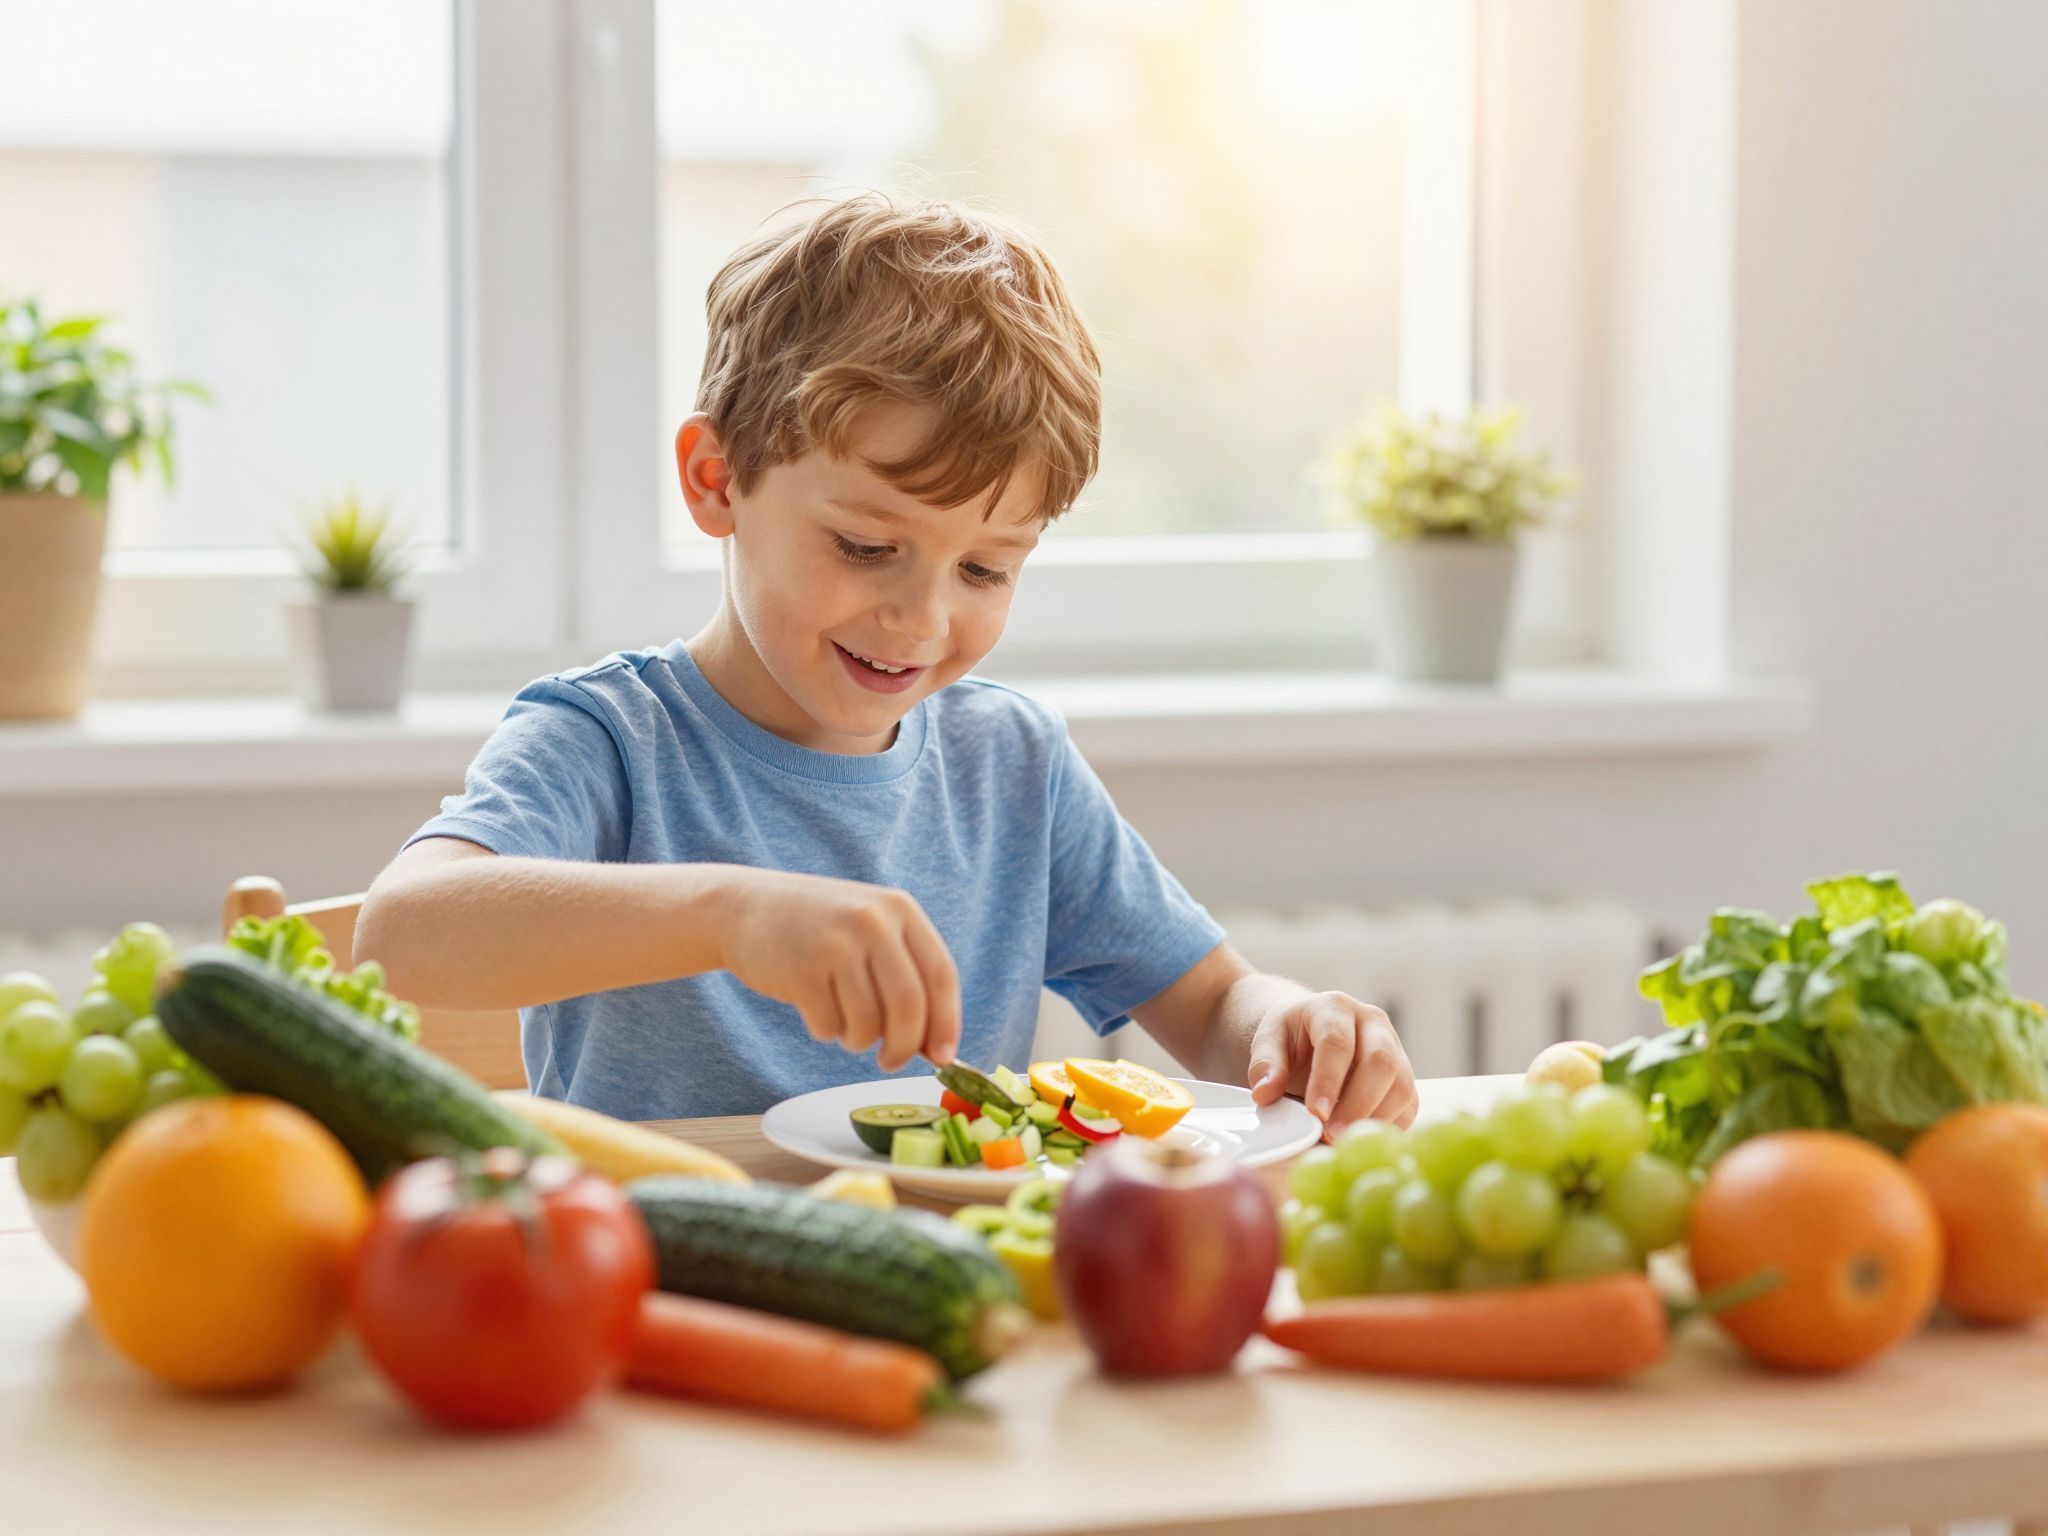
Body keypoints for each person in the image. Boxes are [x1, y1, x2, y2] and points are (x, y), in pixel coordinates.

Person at [356, 193, 1415, 1138]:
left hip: (939, 1287)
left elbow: (1215, 1008)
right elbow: (399, 937)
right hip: (663, 1287)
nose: (920, 619)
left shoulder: (1011, 766)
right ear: (717, 480)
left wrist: (1293, 1024)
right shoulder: (609, 741)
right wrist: (732, 916)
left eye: (988, 570)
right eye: (865, 548)